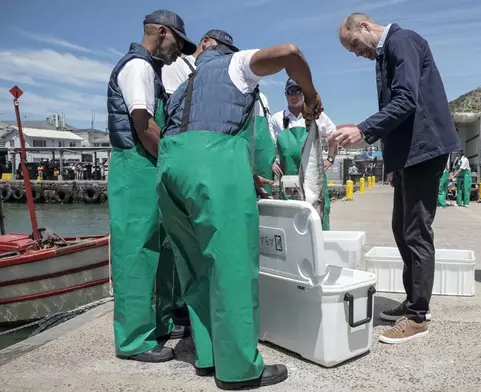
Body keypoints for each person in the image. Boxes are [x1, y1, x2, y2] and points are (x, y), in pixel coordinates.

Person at [158, 38, 323, 388]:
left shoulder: (182, 84)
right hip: (214, 165)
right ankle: (239, 370)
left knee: (195, 266)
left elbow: (192, 134)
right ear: (219, 47)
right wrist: (310, 94)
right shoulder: (233, 64)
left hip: (170, 169)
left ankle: (208, 355)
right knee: (231, 266)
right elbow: (291, 52)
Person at [330, 13, 460, 344]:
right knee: (400, 228)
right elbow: (397, 107)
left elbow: (406, 100)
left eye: (355, 45)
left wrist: (363, 130)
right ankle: (413, 300)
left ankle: (418, 316)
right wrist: (391, 159)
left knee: (416, 230)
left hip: (425, 147)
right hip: (408, 154)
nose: (357, 53)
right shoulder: (385, 54)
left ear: (363, 26)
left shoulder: (402, 42)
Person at [106, 9, 196, 363]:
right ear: (161, 32)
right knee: (136, 253)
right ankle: (132, 341)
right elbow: (144, 127)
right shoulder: (138, 67)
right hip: (134, 166)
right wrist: (174, 163)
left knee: (157, 250)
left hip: (144, 167)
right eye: (178, 42)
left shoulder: (151, 70)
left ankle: (156, 325)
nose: (179, 51)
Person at [163, 29, 274, 194]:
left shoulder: (230, 78)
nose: (225, 55)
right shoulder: (178, 65)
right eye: (222, 48)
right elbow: (172, 117)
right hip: (189, 159)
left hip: (224, 162)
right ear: (205, 41)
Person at [269, 78, 338, 230]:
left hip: (314, 178)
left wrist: (330, 159)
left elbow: (334, 136)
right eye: (290, 92)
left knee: (317, 219)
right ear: (285, 94)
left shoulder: (318, 116)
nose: (294, 95)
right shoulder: (277, 119)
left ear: (304, 94)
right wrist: (272, 161)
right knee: (293, 223)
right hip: (290, 181)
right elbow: (269, 143)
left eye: (298, 91)